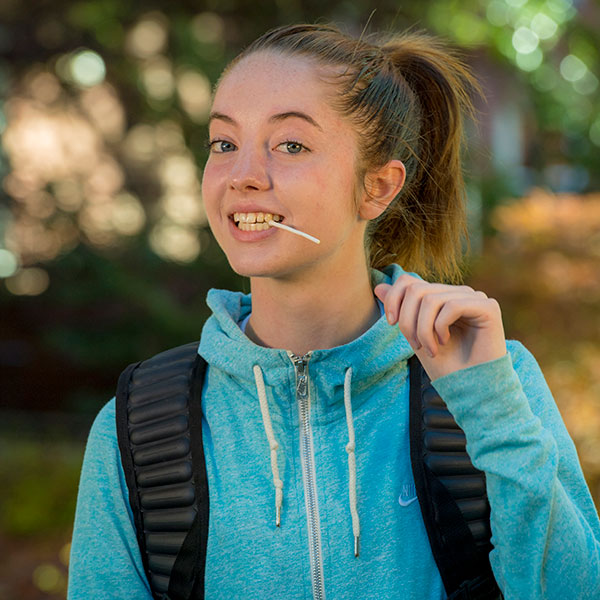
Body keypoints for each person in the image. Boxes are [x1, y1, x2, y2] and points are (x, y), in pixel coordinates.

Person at [68, 22, 600, 600]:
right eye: (224, 144)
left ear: (377, 187)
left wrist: (490, 409)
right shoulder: (134, 427)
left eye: (290, 145)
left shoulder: (497, 381)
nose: (242, 175)